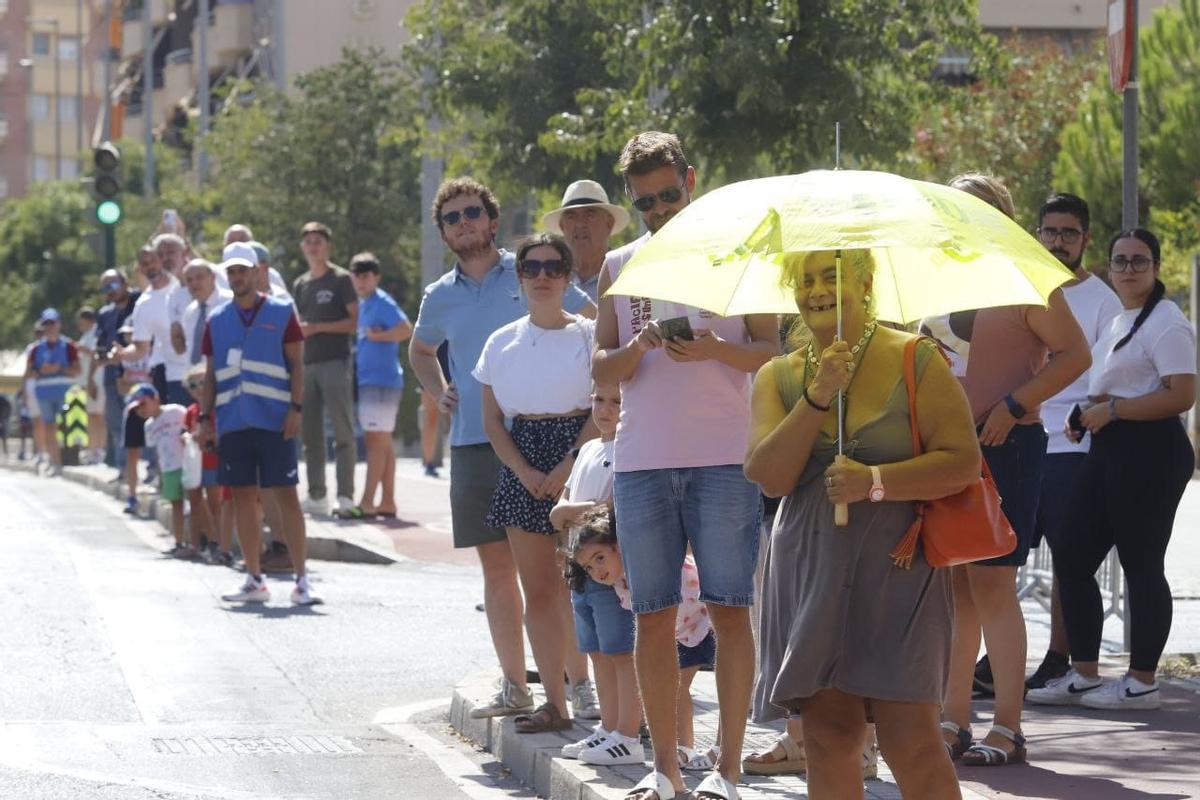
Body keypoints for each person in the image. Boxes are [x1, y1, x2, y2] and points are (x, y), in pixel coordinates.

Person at [746, 248, 979, 800]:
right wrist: (818, 394)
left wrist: (875, 480)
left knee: (911, 738)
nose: (817, 291)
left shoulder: (916, 358)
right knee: (828, 734)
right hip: (809, 572)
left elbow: (962, 463)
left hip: (900, 569)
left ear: (866, 281)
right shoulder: (776, 375)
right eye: (805, 280)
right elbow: (770, 476)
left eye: (832, 276)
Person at [592, 131, 779, 800]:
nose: (661, 208)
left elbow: (768, 349)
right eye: (646, 201)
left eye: (670, 194)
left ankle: (727, 771)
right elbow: (602, 367)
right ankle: (665, 769)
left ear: (691, 180)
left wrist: (713, 352)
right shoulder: (619, 264)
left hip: (726, 458)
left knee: (731, 610)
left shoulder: (738, 254)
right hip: (644, 461)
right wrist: (639, 345)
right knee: (652, 614)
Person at [409, 177, 595, 720]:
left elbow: (587, 325)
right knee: (497, 569)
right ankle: (516, 687)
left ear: (491, 220)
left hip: (551, 441)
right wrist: (437, 386)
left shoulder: (534, 267)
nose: (463, 222)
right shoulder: (438, 296)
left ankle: (577, 684)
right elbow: (421, 350)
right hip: (476, 440)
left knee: (561, 570)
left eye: (472, 212)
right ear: (443, 232)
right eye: (452, 217)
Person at [932, 173, 1090, 768]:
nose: (960, 218)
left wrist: (1016, 405)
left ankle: (1008, 726)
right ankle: (952, 718)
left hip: (1009, 444)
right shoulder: (934, 279)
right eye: (952, 209)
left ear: (1000, 214)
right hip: (945, 450)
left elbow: (1077, 354)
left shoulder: (1028, 276)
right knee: (955, 587)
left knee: (994, 584)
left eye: (974, 208)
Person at [1029, 228, 1196, 710]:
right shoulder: (1121, 321)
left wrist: (1115, 412)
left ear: (1157, 267)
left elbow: (1181, 394)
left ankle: (1142, 681)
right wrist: (1087, 414)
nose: (1128, 269)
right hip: (1109, 450)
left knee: (1142, 565)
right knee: (1074, 555)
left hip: (1152, 454)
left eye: (1139, 261)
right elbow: (1111, 387)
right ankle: (1083, 672)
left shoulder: (1167, 321)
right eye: (1119, 261)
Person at [474, 233, 602, 733]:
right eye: (532, 267)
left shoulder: (591, 336)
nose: (543, 276)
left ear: (569, 276)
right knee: (541, 591)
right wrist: (527, 472)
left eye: (554, 267)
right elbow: (492, 423)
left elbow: (601, 409)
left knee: (591, 584)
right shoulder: (500, 342)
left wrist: (567, 466)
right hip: (523, 464)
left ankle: (590, 685)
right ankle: (555, 701)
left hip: (584, 458)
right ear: (520, 277)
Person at [1017, 193, 1122, 691]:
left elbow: (1103, 377)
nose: (1058, 242)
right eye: (1050, 232)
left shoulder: (1102, 301)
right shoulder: (1020, 288)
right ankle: (996, 661)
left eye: (1068, 233)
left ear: (1086, 239)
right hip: (1016, 434)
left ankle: (1061, 658)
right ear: (1037, 234)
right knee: (1000, 557)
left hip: (1069, 444)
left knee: (1067, 558)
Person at [198, 244, 321, 606]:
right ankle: (254, 579)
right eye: (231, 272)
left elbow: (297, 364)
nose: (237, 277)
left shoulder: (283, 312)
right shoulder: (217, 320)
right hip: (234, 421)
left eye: (243, 270)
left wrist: (296, 408)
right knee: (242, 498)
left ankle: (302, 580)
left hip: (275, 420)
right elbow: (209, 376)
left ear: (256, 272)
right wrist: (205, 419)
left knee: (286, 497)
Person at [565, 507, 719, 771]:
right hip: (680, 636)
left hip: (704, 627)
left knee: (680, 689)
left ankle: (709, 748)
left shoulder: (651, 566)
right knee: (675, 690)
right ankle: (684, 749)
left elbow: (694, 584)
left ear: (619, 546)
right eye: (588, 567)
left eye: (600, 557)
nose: (596, 570)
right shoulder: (621, 583)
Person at [552, 382, 640, 762]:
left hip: (609, 571)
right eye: (599, 399)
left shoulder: (630, 448)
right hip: (580, 570)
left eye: (616, 401)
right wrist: (576, 510)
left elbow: (613, 506)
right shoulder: (588, 448)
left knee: (621, 652)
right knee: (597, 652)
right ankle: (608, 728)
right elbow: (559, 510)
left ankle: (629, 735)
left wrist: (575, 510)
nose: (605, 408)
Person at [292, 221, 358, 517]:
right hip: (307, 366)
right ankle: (316, 495)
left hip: (335, 362)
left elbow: (354, 322)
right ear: (302, 247)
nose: (313, 245)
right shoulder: (301, 284)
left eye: (318, 240)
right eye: (308, 241)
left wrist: (318, 327)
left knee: (343, 431)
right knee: (311, 434)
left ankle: (345, 496)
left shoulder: (341, 279)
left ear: (327, 245)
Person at [347, 252, 413, 518]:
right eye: (357, 276)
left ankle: (366, 502)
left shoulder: (382, 301)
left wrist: (380, 336)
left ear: (376, 277)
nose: (361, 281)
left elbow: (406, 329)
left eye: (366, 276)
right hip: (369, 380)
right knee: (382, 442)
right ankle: (387, 501)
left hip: (382, 380)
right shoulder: (363, 304)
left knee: (375, 441)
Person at [128, 383, 192, 556]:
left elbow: (189, 428)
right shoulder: (148, 425)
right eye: (137, 407)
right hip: (168, 468)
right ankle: (179, 542)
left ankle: (199, 542)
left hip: (187, 464)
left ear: (155, 399)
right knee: (176, 505)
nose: (141, 409)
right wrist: (160, 474)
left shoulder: (176, 411)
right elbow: (156, 450)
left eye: (143, 404)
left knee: (195, 503)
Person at [542, 179, 630, 303]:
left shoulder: (626, 276)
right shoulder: (547, 277)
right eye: (571, 216)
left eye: (590, 214)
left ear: (609, 223)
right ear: (562, 226)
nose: (580, 224)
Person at [93, 269, 141, 472]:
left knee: (141, 420)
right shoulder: (104, 314)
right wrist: (103, 357)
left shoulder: (139, 302)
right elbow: (100, 345)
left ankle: (148, 468)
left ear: (125, 282)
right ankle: (124, 470)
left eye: (113, 285)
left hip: (137, 374)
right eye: (105, 287)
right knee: (116, 424)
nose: (110, 291)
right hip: (112, 374)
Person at [27, 308, 81, 477]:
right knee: (49, 427)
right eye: (46, 324)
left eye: (52, 323)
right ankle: (55, 462)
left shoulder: (69, 345)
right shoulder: (36, 349)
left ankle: (71, 460)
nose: (50, 327)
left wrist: (60, 368)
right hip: (44, 393)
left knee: (67, 427)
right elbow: (29, 373)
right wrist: (42, 370)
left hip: (65, 392)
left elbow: (77, 370)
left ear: (58, 324)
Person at [182, 363, 227, 565]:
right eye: (193, 385)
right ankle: (196, 544)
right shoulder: (191, 411)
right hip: (195, 464)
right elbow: (184, 430)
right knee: (195, 502)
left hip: (212, 462)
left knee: (215, 503)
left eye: (203, 382)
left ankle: (218, 542)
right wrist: (186, 436)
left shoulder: (217, 410)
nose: (199, 388)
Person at [75, 306, 107, 465]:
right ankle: (92, 448)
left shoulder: (96, 332)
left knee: (99, 416)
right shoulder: (85, 334)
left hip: (97, 379)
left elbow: (97, 354)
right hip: (88, 381)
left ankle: (101, 449)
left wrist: (84, 350)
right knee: (92, 416)